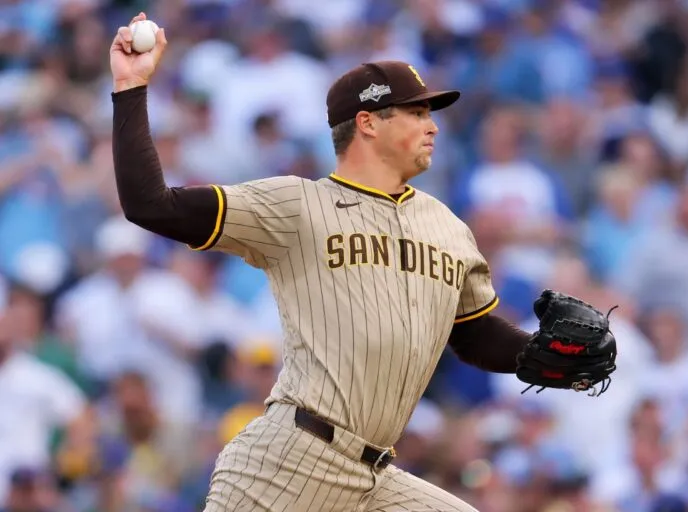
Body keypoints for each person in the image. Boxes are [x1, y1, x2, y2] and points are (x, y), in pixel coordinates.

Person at [109, 13, 612, 512]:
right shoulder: (296, 204)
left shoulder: (448, 227)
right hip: (288, 463)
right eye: (415, 113)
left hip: (375, 476)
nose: (432, 125)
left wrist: (553, 359)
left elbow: (475, 336)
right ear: (368, 123)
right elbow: (151, 204)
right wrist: (131, 88)